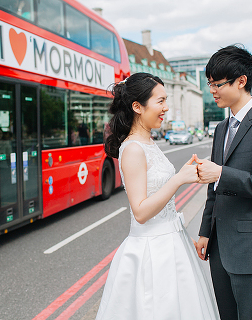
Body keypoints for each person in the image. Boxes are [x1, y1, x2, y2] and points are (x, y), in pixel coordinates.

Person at [97, 73, 219, 320]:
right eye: (160, 101)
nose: (166, 108)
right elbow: (140, 212)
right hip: (151, 252)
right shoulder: (132, 149)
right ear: (137, 107)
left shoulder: (149, 143)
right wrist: (178, 179)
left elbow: (159, 185)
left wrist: (186, 173)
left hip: (173, 242)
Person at [192, 45, 252, 320]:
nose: (212, 90)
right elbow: (214, 189)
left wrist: (222, 173)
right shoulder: (221, 128)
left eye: (217, 84)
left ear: (241, 81)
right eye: (209, 83)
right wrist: (205, 231)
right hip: (220, 248)